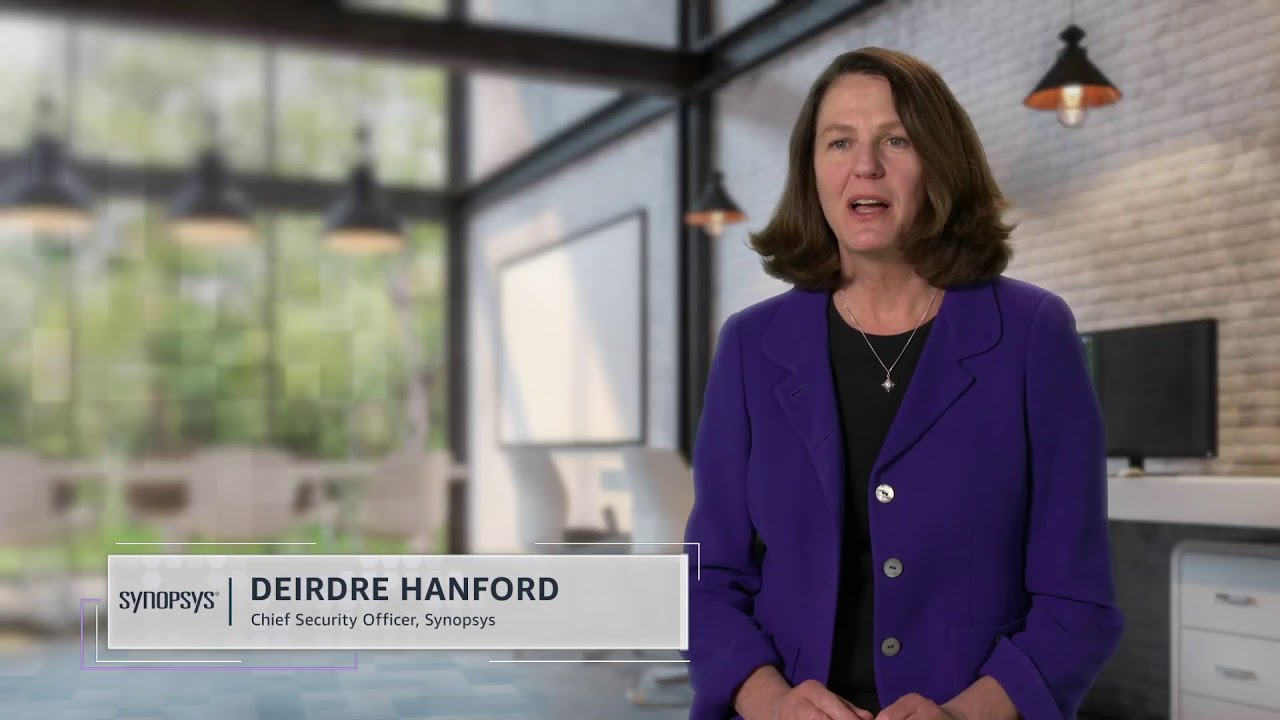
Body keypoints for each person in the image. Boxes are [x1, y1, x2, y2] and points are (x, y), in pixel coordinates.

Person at [682, 48, 1124, 720]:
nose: (866, 165)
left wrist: (964, 714)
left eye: (896, 139)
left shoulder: (1034, 332)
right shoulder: (750, 346)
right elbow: (707, 581)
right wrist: (769, 701)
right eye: (839, 142)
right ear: (813, 173)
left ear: (940, 163)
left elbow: (1078, 603)